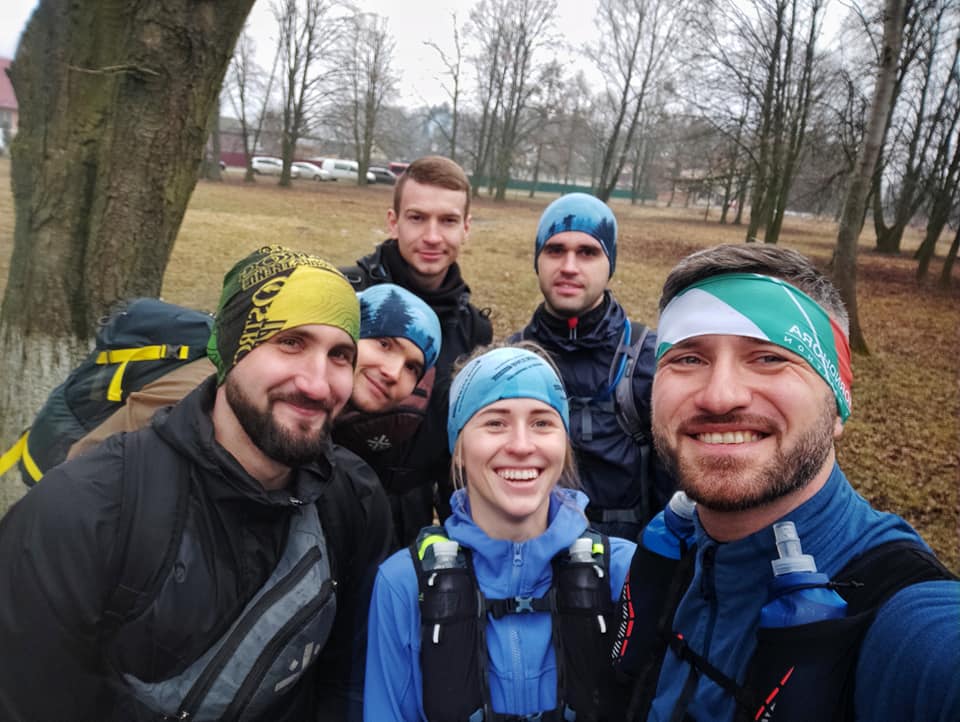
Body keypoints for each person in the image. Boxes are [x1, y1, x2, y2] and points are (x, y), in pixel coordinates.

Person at [0, 246, 392, 722]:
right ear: (229, 351)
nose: (317, 383)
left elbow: (344, 680)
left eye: (339, 355)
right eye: (290, 342)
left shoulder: (353, 499)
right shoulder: (83, 509)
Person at [615, 244, 959, 721]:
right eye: (689, 359)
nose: (720, 396)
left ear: (837, 402)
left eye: (769, 358)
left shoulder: (905, 621)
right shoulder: (670, 554)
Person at [363, 345, 636, 721]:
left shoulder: (624, 570)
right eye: (495, 423)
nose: (521, 446)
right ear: (459, 449)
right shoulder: (404, 584)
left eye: (542, 423)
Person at [341, 155, 493, 548]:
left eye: (448, 221)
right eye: (417, 218)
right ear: (393, 221)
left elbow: (458, 453)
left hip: (411, 528)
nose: (432, 236)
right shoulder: (343, 295)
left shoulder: (474, 329)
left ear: (466, 228)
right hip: (327, 507)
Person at [511, 193, 672, 540]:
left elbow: (674, 494)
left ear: (610, 263)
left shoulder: (649, 360)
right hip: (534, 555)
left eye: (587, 252)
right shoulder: (510, 361)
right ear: (537, 260)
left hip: (627, 558)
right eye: (555, 250)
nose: (569, 266)